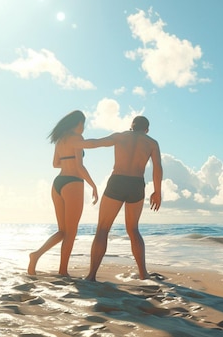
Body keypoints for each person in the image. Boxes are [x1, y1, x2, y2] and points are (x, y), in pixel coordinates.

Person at [76, 116, 162, 281]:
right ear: (147, 129)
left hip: (118, 181)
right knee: (133, 230)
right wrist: (157, 192)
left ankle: (91, 275)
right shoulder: (151, 143)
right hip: (136, 183)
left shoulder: (121, 136)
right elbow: (157, 168)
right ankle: (144, 274)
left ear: (131, 126)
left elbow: (96, 143)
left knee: (102, 229)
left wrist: (75, 143)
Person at [28, 110, 99, 276]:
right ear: (78, 123)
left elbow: (55, 164)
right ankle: (62, 271)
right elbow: (80, 167)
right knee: (71, 231)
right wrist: (93, 185)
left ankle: (36, 255)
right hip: (73, 184)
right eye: (84, 124)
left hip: (58, 184)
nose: (84, 128)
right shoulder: (77, 139)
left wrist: (68, 163)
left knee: (63, 231)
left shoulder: (60, 140)